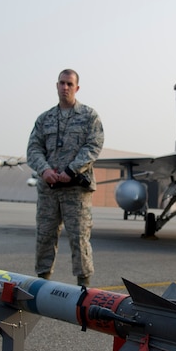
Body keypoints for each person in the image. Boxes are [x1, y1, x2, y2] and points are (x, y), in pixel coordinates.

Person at [26, 69, 104, 286]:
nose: (65, 87)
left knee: (79, 239)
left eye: (70, 84)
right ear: (56, 85)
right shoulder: (45, 119)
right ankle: (42, 282)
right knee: (44, 237)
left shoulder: (89, 116)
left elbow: (93, 146)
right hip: (49, 190)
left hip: (76, 190)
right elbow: (33, 148)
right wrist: (45, 170)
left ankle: (84, 286)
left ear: (77, 88)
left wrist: (71, 171)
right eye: (62, 83)